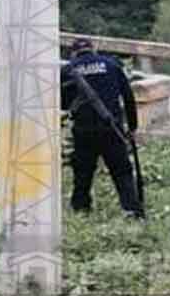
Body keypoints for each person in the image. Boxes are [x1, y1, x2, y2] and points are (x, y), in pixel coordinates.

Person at [60, 38, 144, 218]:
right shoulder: (111, 65)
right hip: (112, 128)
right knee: (122, 171)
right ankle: (132, 210)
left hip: (84, 131)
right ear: (93, 50)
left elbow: (62, 103)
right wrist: (132, 127)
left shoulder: (68, 70)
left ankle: (81, 209)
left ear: (73, 53)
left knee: (82, 171)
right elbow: (128, 97)